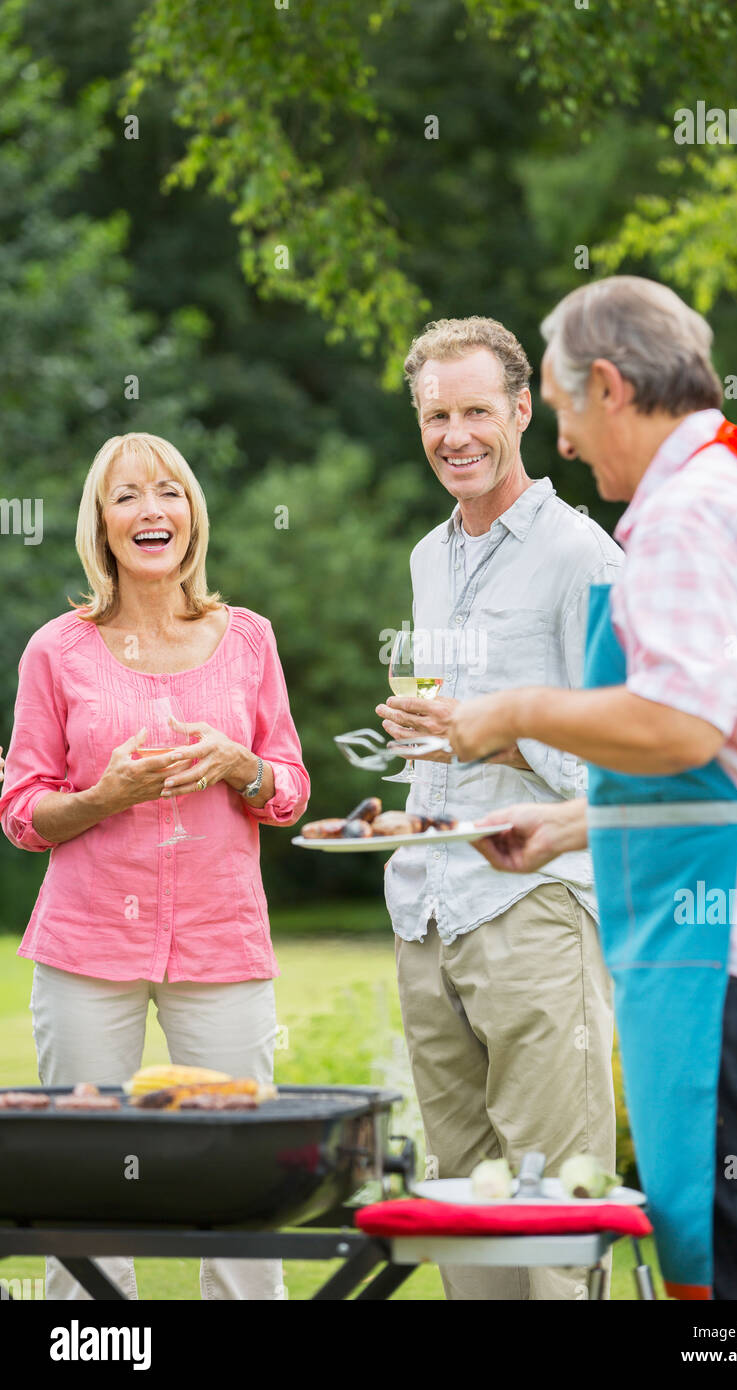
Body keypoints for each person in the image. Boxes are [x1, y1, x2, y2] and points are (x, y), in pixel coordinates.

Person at [449, 276, 737, 1300]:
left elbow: (681, 722)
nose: (563, 443)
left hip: (734, 960)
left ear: (607, 384)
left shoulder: (684, 513)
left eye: (558, 409)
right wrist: (569, 824)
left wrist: (514, 711)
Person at [0, 431, 310, 1301]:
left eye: (169, 492)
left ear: (192, 517)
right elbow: (23, 812)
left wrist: (238, 765)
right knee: (85, 1178)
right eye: (128, 495)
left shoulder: (247, 639)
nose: (152, 510)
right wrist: (106, 794)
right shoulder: (55, 650)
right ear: (101, 524)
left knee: (243, 1176)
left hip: (221, 942)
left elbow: (288, 788)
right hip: (85, 945)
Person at [375, 316, 623, 1301]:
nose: (455, 436)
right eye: (436, 416)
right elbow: (450, 726)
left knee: (554, 1217)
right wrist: (418, 728)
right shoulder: (425, 559)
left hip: (534, 908)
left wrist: (493, 732)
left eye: (476, 410)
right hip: (426, 912)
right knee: (461, 1217)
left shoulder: (584, 557)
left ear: (522, 410)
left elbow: (623, 757)